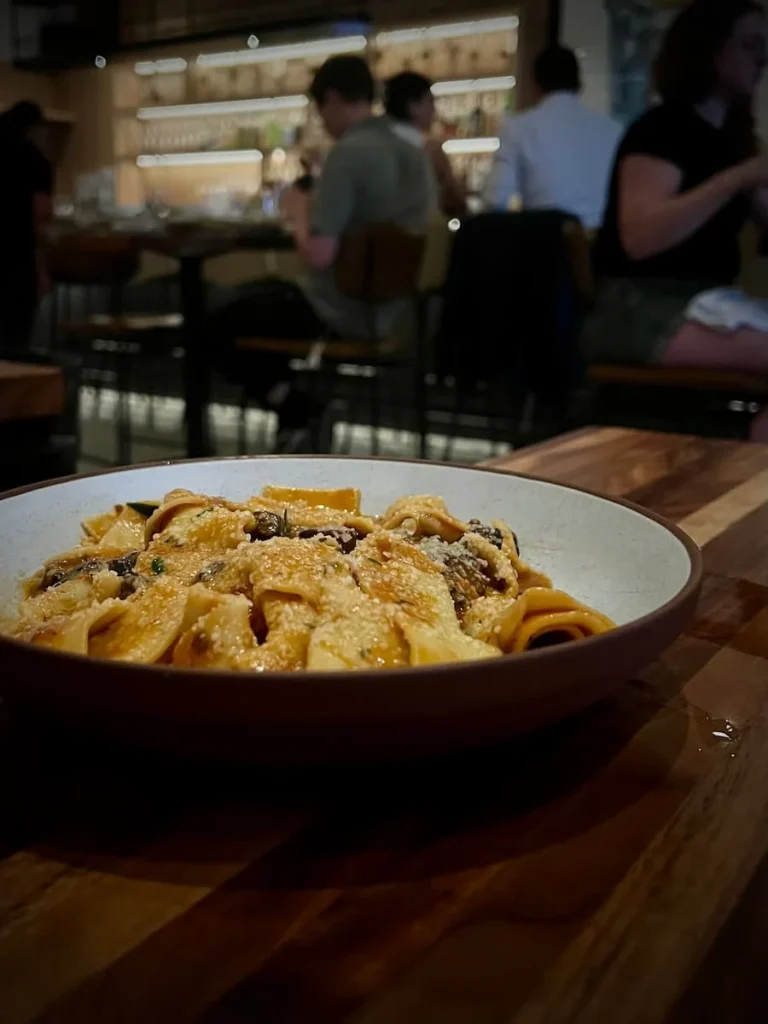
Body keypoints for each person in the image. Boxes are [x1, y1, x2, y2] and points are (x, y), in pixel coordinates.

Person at [211, 55, 436, 450]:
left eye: (320, 110)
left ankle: (297, 407)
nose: (323, 120)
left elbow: (318, 255)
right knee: (256, 304)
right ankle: (299, 413)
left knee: (218, 318)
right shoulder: (412, 149)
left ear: (331, 99)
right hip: (397, 315)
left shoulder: (348, 153)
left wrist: (299, 212)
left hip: (338, 311)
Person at [583, 0, 768, 440]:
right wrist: (738, 178)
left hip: (705, 304)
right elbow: (640, 238)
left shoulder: (738, 140)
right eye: (749, 45)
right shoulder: (661, 129)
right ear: (709, 49)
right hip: (639, 308)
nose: (761, 60)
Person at [484, 46, 622, 229]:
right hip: (604, 249)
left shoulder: (518, 128)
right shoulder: (612, 129)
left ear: (535, 86)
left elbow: (495, 200)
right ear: (579, 84)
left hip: (548, 248)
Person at [0, 101, 53, 351]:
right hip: (17, 260)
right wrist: (41, 269)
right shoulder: (34, 158)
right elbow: (40, 216)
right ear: (34, 128)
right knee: (14, 342)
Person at [384, 71, 465, 217]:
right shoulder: (430, 150)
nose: (434, 110)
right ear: (413, 106)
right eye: (430, 102)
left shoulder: (375, 145)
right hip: (422, 234)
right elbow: (455, 201)